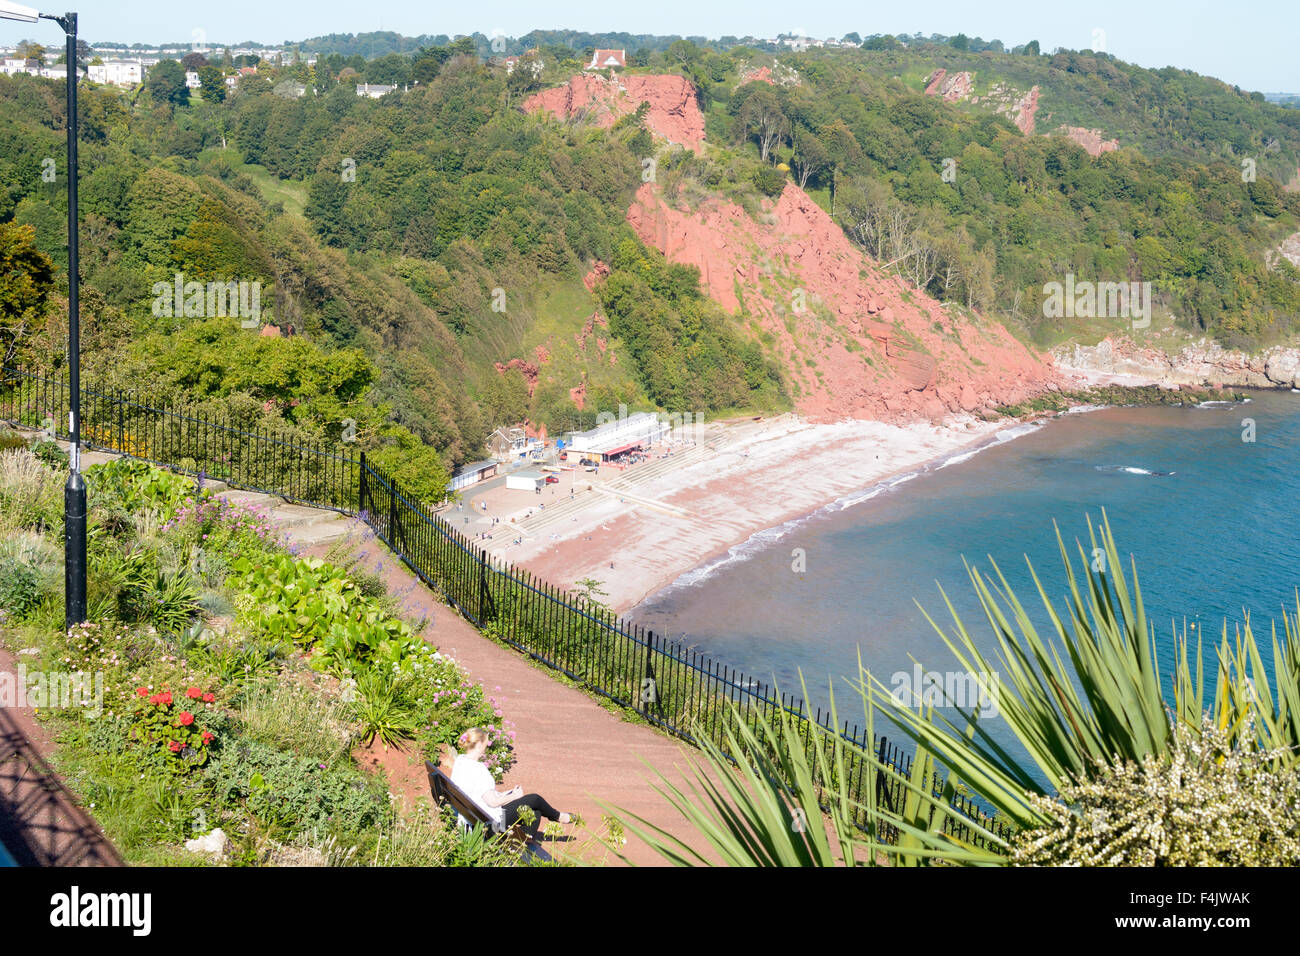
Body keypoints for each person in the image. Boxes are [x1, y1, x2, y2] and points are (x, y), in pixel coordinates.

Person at [450, 727, 572, 841]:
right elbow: (492, 802)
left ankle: (519, 845)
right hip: (488, 825)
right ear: (479, 745)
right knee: (535, 799)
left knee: (534, 814)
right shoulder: (479, 769)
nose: (486, 747)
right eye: (485, 744)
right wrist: (514, 796)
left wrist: (506, 795)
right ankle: (558, 816)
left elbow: (479, 794)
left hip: (471, 818)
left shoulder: (460, 761)